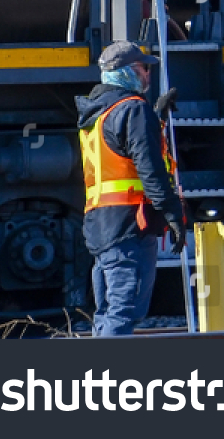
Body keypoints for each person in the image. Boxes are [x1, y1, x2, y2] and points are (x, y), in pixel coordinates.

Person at [76, 41, 186, 337]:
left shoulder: (96, 114)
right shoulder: (133, 110)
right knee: (124, 311)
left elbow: (119, 153)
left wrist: (157, 119)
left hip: (101, 225)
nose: (147, 75)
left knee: (107, 311)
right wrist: (173, 214)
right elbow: (149, 169)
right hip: (130, 224)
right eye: (142, 68)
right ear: (125, 72)